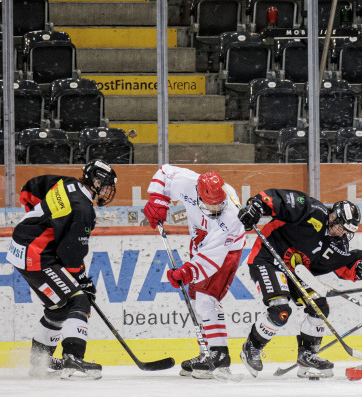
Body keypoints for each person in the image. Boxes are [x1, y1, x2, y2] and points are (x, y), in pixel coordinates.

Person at [236, 191, 362, 378]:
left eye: (347, 231)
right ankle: (252, 346)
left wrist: (361, 268)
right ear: (333, 216)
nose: (342, 233)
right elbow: (279, 199)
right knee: (280, 311)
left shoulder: (338, 241)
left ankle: (307, 354)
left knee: (319, 306)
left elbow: (341, 264)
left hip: (296, 272)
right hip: (267, 258)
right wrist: (256, 206)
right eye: (341, 227)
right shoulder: (311, 210)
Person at [7, 160, 117, 379]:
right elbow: (71, 253)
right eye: (105, 185)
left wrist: (36, 221)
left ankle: (41, 362)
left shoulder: (66, 183)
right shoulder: (83, 209)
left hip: (21, 248)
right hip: (35, 254)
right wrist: (82, 281)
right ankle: (73, 361)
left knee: (58, 307)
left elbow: (31, 187)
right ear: (95, 181)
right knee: (79, 300)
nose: (107, 191)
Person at [143, 165, 246, 379]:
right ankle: (206, 354)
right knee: (195, 298)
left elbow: (212, 256)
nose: (217, 208)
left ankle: (219, 355)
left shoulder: (232, 215)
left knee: (206, 299)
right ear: (199, 195)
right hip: (200, 242)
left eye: (220, 204)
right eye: (211, 204)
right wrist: (158, 200)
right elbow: (165, 173)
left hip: (226, 250)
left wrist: (188, 272)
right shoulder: (187, 183)